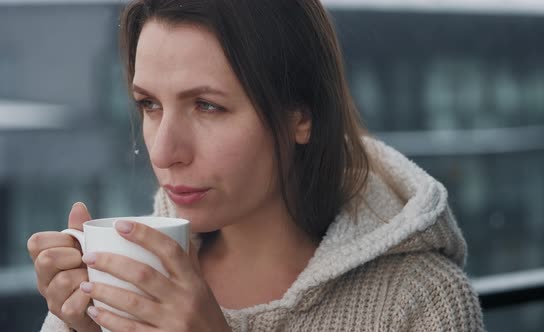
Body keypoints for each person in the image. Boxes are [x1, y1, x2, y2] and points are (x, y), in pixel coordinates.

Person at [28, 0, 484, 331]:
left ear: (300, 116)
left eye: (207, 106)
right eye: (149, 104)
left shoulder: (421, 303)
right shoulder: (128, 276)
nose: (165, 152)